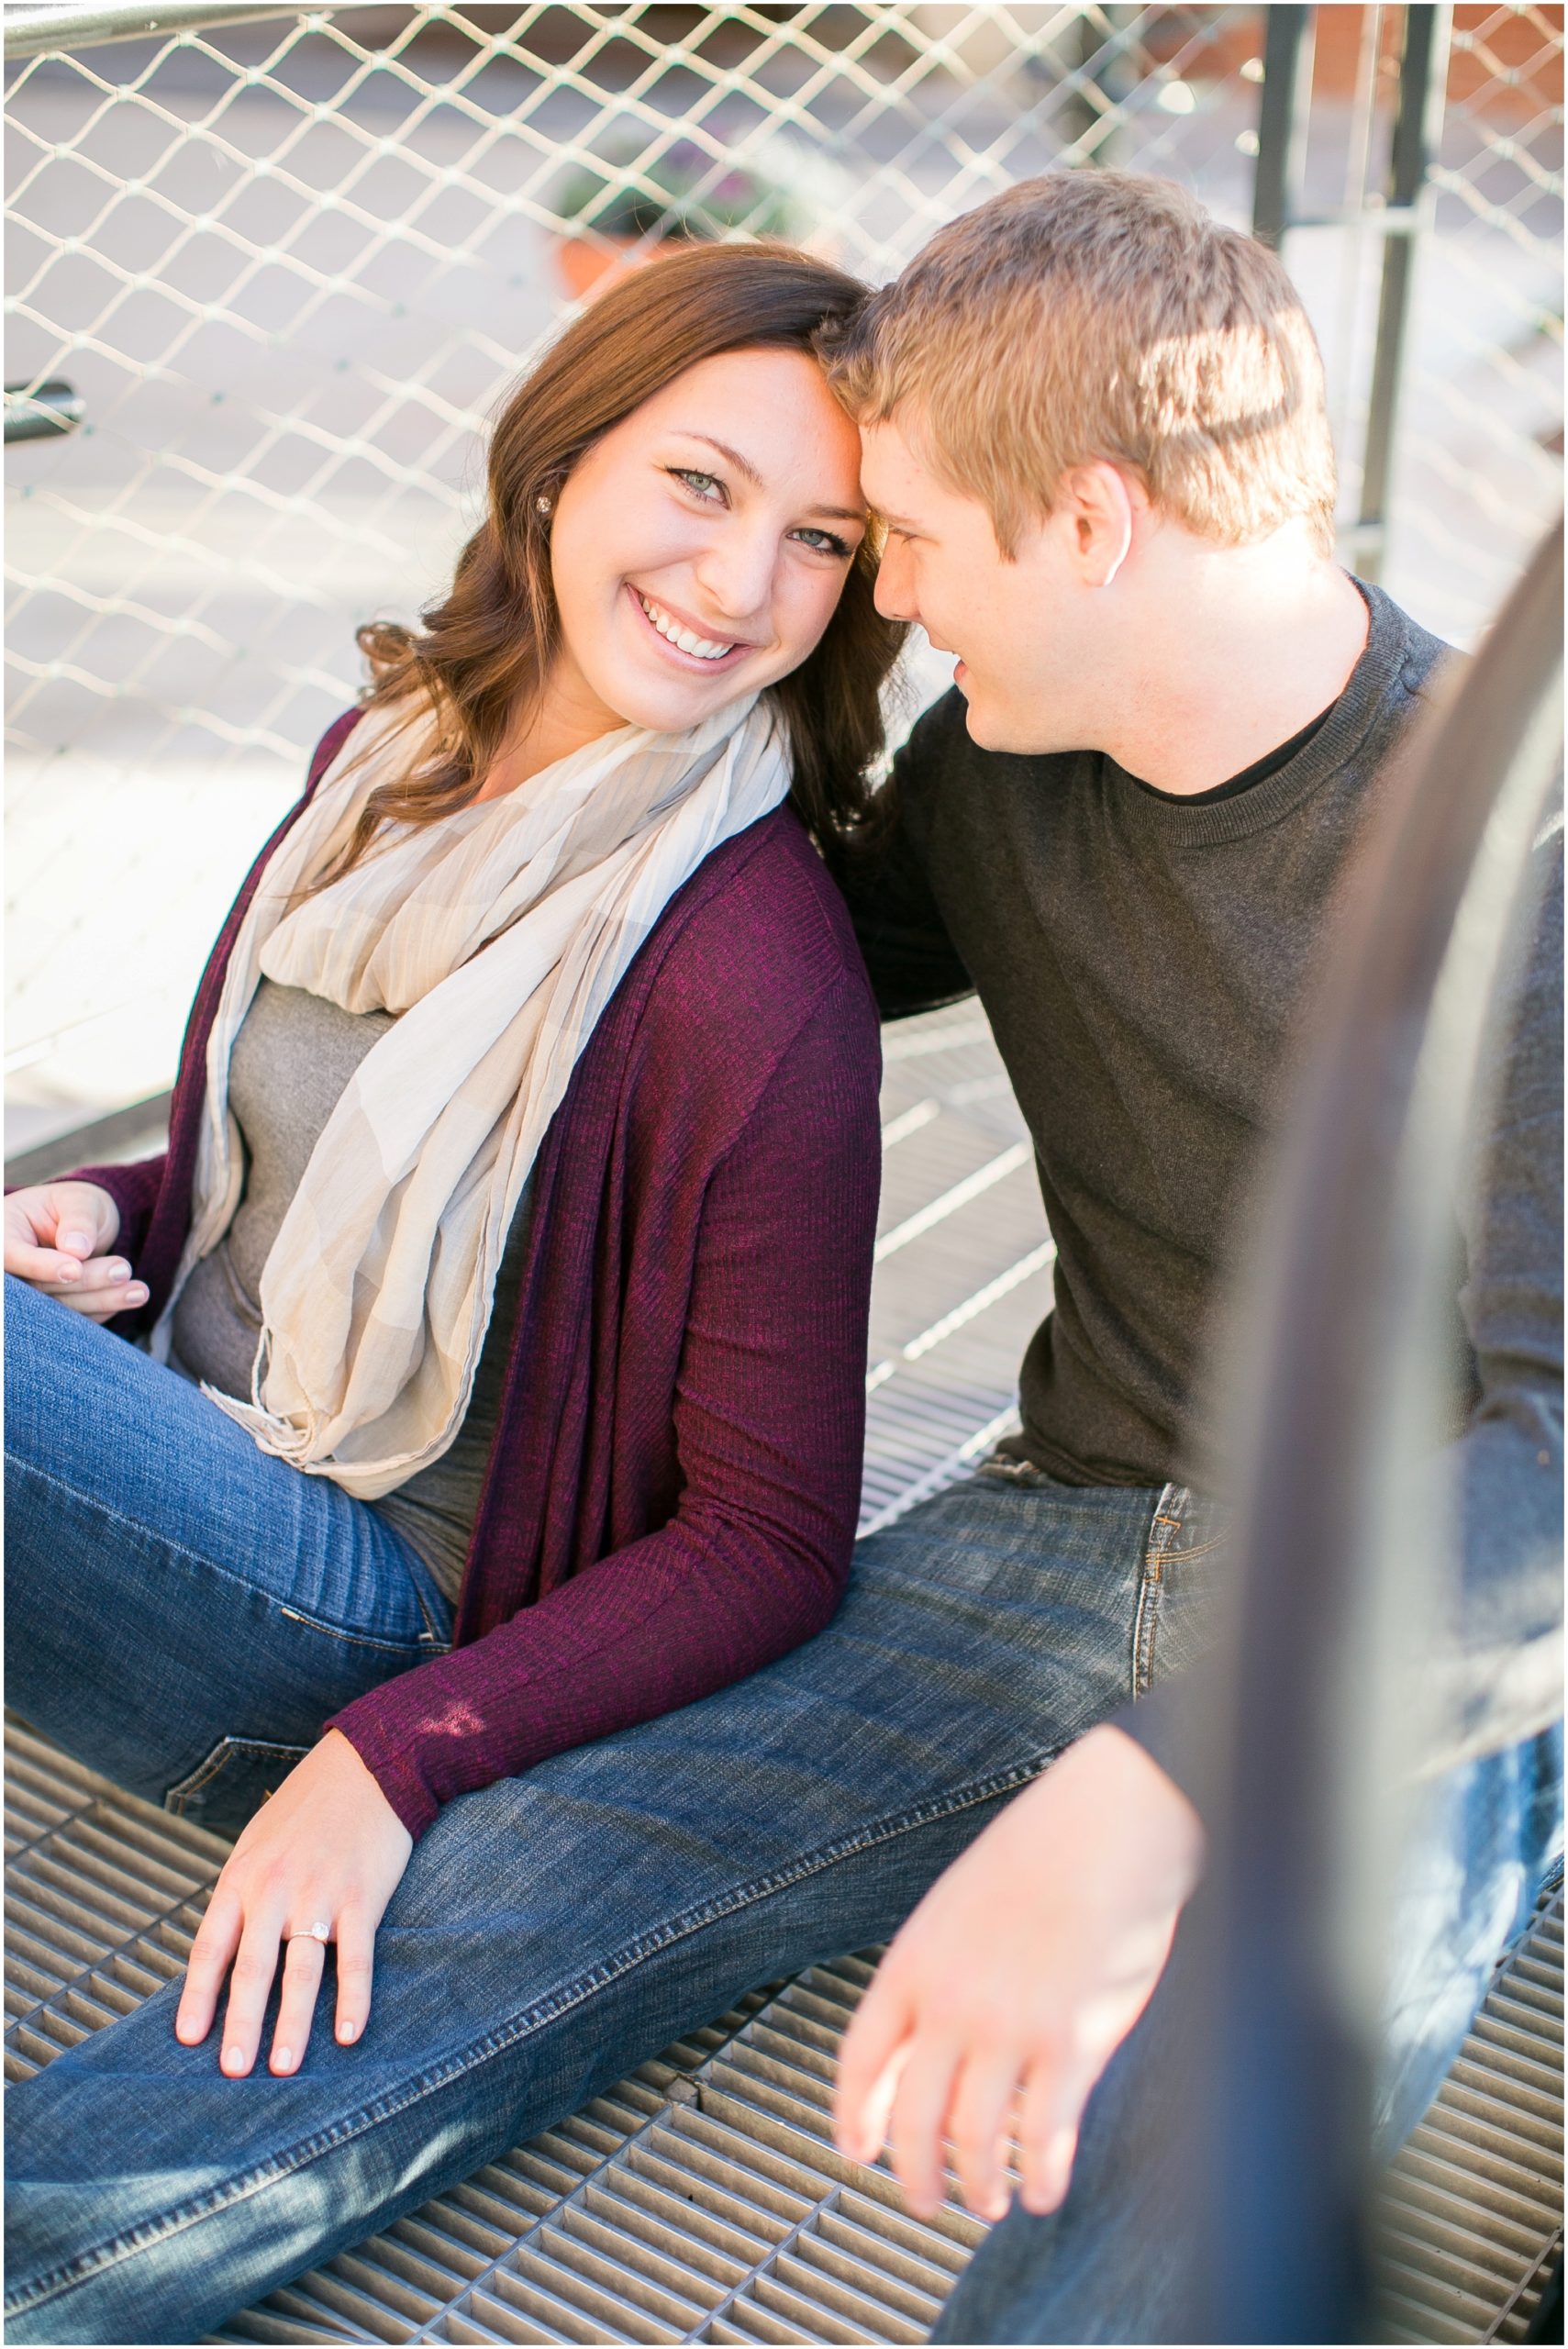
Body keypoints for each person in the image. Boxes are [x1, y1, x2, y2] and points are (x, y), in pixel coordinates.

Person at [6, 173, 1560, 2346]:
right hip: (1063, 1531)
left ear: (1093, 527)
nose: (868, 604)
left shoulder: (1528, 850)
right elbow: (673, 1012)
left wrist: (1161, 1774)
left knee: (1205, 2150)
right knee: (507, 1890)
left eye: (892, 537)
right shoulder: (1005, 770)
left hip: (1404, 1619)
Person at [3, 239, 902, 2334]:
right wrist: (104, 1213)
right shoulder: (390, 746)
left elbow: (773, 1540)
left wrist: (393, 1756)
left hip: (365, 1616)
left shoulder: (748, 967)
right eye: (697, 483)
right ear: (560, 464)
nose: (742, 579)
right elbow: (274, 1137)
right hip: (193, 1416)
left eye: (821, 539)